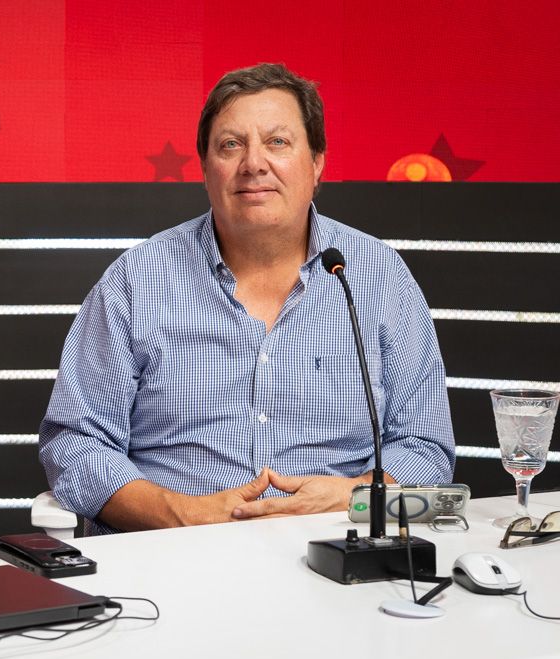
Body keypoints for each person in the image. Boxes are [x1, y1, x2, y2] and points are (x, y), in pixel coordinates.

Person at [38, 63, 455, 535]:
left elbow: (425, 448)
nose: (253, 163)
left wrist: (356, 497)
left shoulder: (378, 277)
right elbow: (75, 445)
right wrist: (184, 513)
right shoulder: (136, 282)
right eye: (230, 145)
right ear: (204, 169)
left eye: (277, 142)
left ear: (317, 162)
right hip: (174, 557)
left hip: (337, 549)